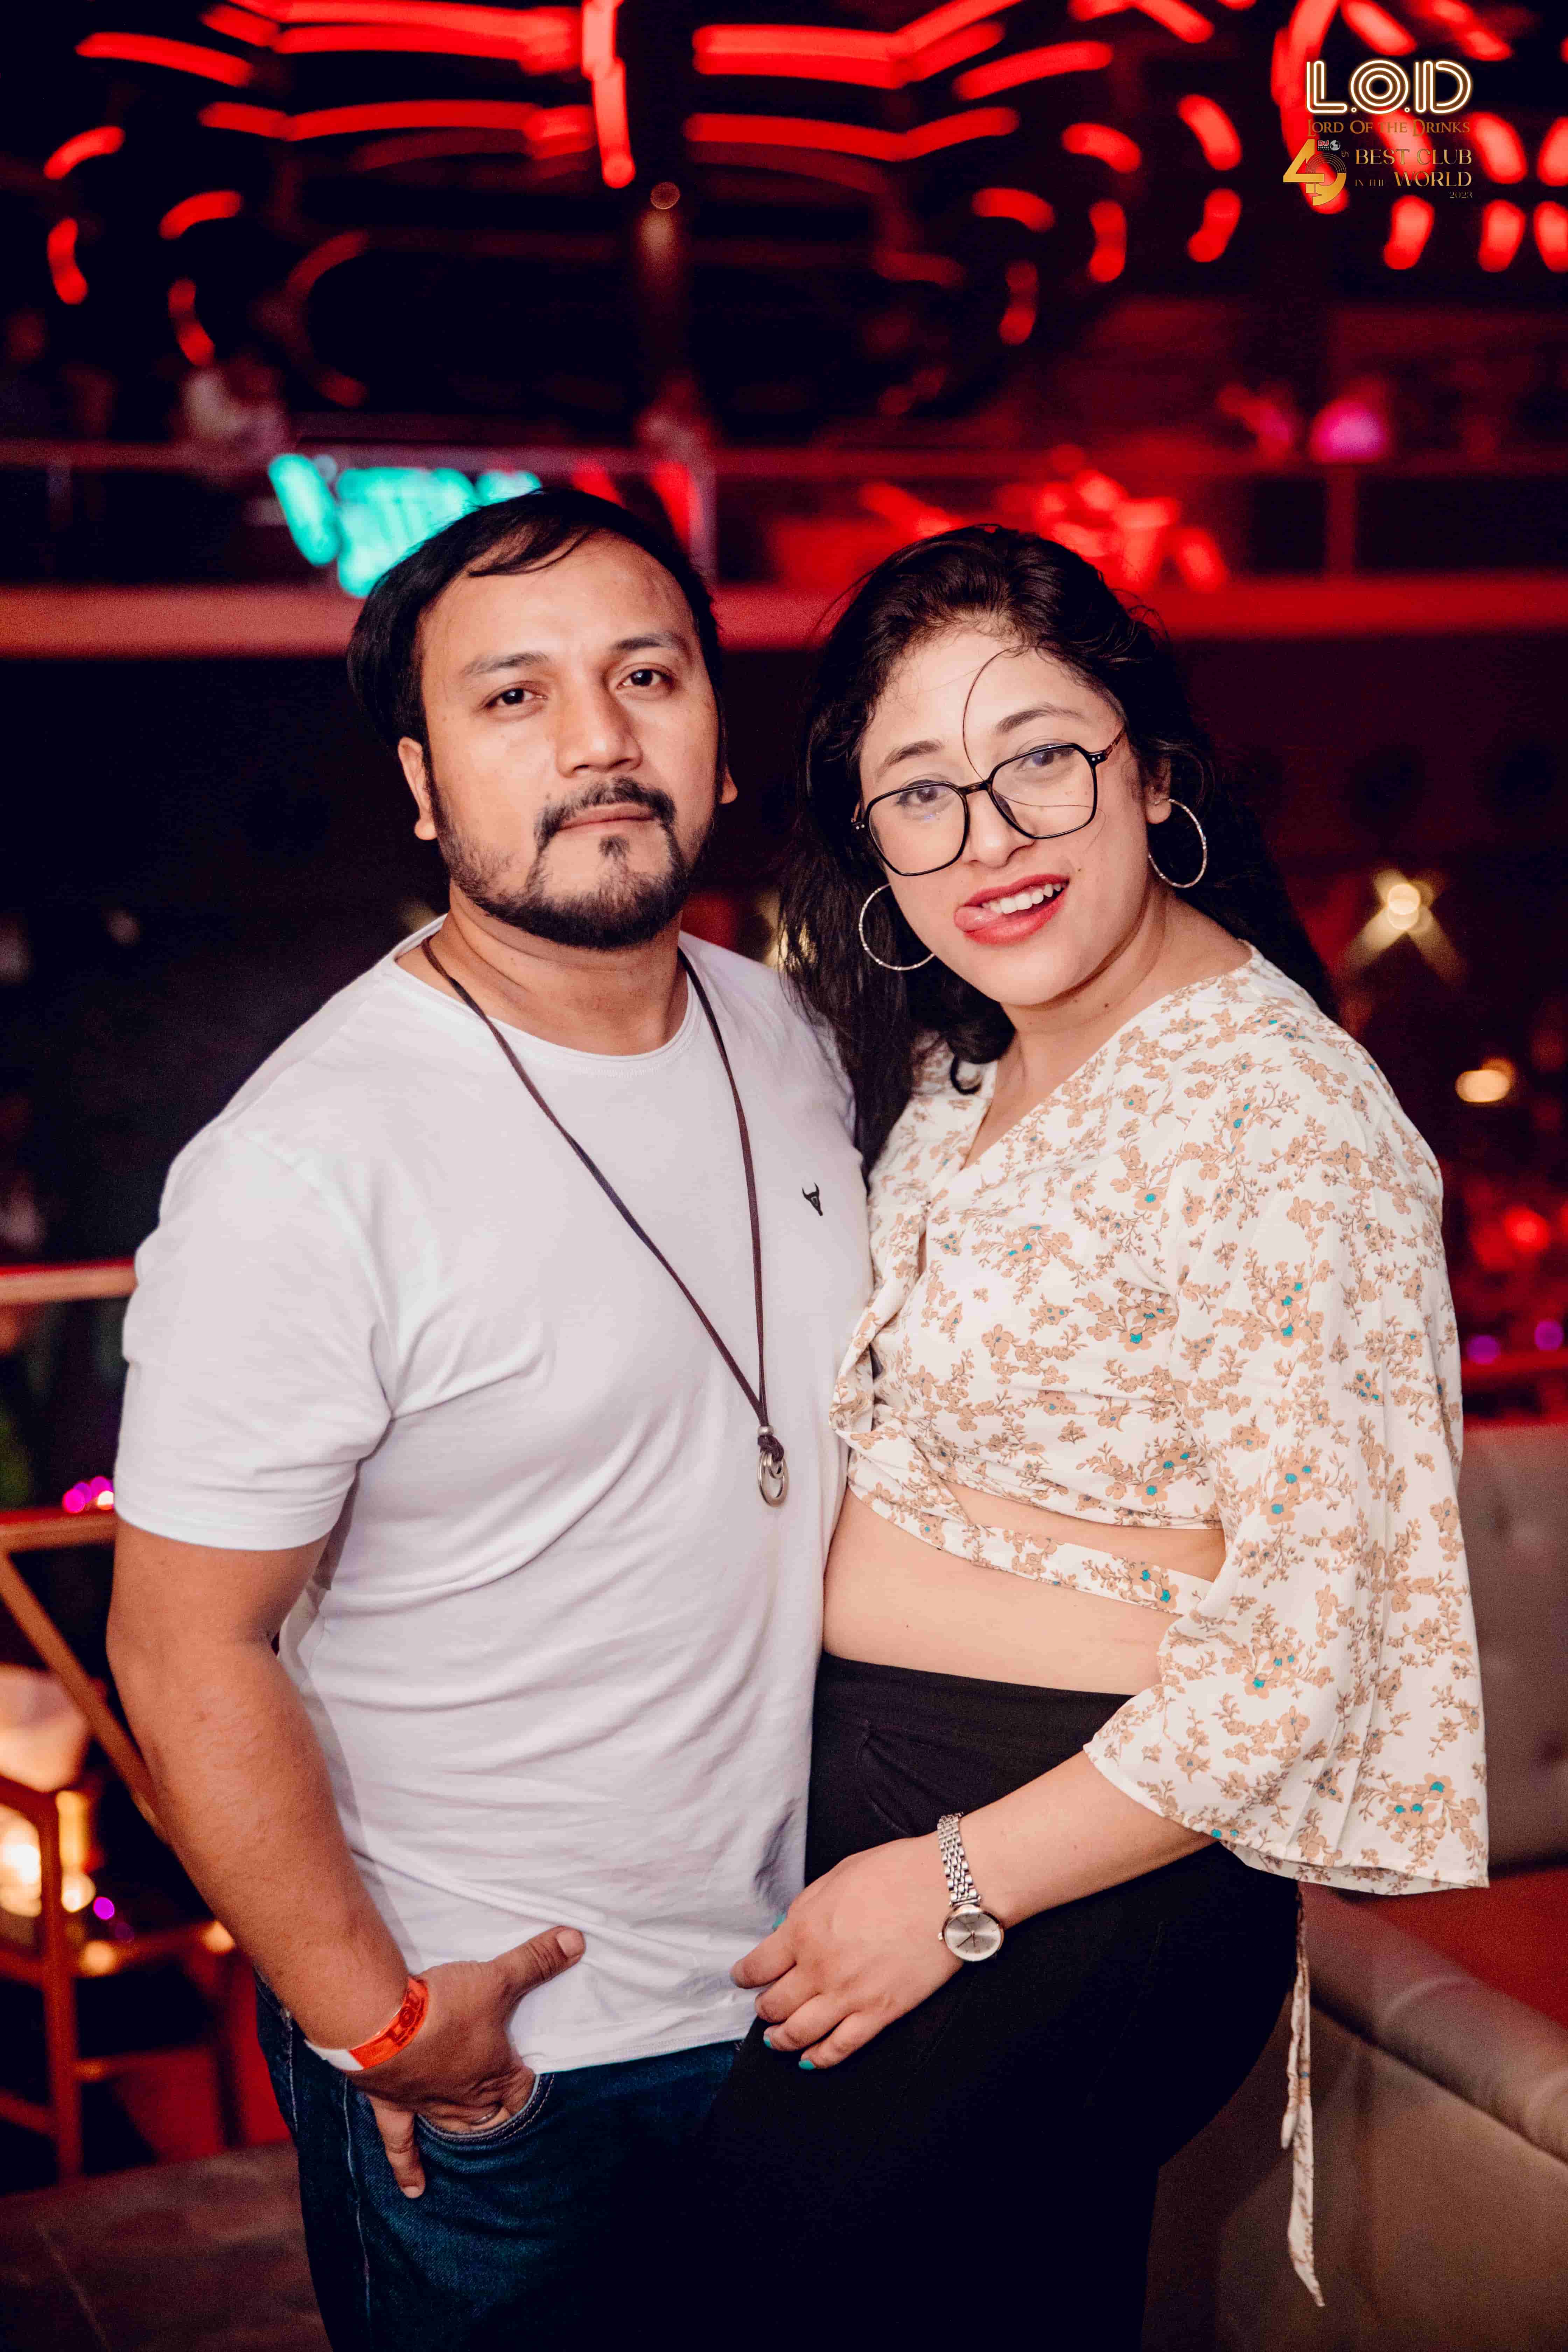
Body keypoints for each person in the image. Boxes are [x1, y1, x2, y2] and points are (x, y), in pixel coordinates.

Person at [692, 526, 1486, 2343]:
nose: (990, 836)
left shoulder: (1284, 1117)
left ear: (1155, 769)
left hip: (1074, 1856)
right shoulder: (958, 1069)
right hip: (919, 1808)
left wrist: (952, 1889)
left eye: (1041, 756)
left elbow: (1312, 1635)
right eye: (922, 791)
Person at [106, 488, 869, 2346]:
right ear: (424, 786)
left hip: (805, 1994)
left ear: (716, 736)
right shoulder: (308, 1161)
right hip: (508, 2058)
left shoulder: (795, 1040)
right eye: (513, 696)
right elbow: (182, 1645)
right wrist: (381, 2021)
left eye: (646, 677)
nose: (598, 739)